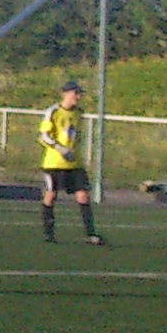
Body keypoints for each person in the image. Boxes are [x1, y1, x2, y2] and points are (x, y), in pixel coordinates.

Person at [39, 77, 102, 244]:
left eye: (79, 94)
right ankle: (49, 233)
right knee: (50, 195)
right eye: (75, 93)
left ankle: (91, 234)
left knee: (83, 196)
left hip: (74, 163)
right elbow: (44, 136)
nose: (78, 97)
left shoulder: (79, 113)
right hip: (54, 163)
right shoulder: (53, 111)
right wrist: (61, 149)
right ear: (65, 94)